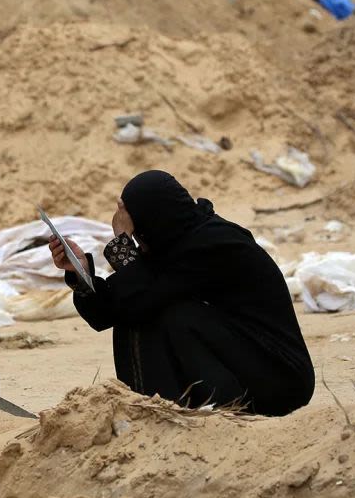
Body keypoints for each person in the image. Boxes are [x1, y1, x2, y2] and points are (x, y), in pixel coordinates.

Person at [49, 170, 314, 416]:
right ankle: (156, 409)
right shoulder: (174, 242)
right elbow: (112, 311)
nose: (139, 245)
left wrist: (121, 244)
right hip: (244, 363)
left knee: (170, 313)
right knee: (143, 308)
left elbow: (140, 297)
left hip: (279, 377)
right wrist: (80, 272)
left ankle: (169, 411)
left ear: (156, 222)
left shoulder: (214, 243)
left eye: (139, 235)